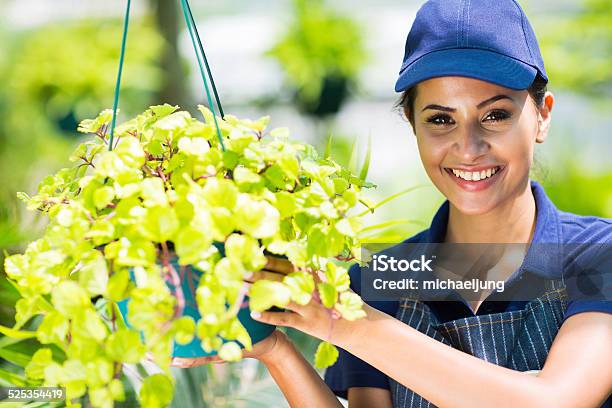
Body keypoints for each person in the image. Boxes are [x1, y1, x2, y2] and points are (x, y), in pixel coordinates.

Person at [173, 0, 612, 406]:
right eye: (441, 119)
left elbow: (553, 401)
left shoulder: (595, 257)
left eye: (495, 114)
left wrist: (342, 323)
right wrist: (276, 350)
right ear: (413, 124)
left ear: (543, 115)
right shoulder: (384, 280)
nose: (469, 147)